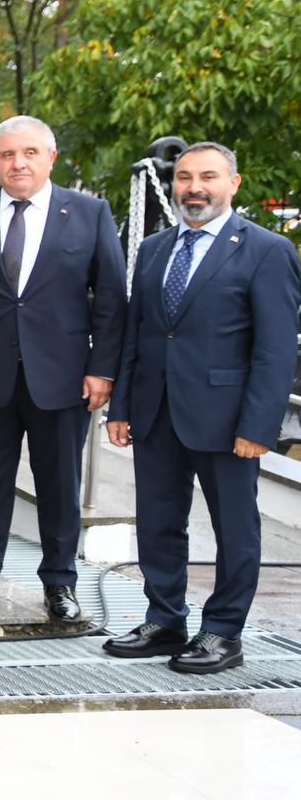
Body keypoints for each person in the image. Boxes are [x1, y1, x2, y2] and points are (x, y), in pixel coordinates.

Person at [104, 143, 301, 673]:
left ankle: (223, 633)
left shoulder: (267, 250)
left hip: (229, 420)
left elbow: (276, 350)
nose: (194, 187)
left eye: (208, 177)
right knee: (157, 523)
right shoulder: (154, 248)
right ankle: (165, 620)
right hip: (155, 413)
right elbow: (138, 334)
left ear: (233, 184)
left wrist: (259, 425)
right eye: (185, 177)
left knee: (235, 530)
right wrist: (120, 407)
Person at [0, 115, 125, 620]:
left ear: (50, 158)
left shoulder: (89, 214)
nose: (18, 163)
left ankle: (60, 583)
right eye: (8, 154)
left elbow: (110, 299)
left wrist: (103, 368)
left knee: (59, 484)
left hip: (63, 379)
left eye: (30, 153)